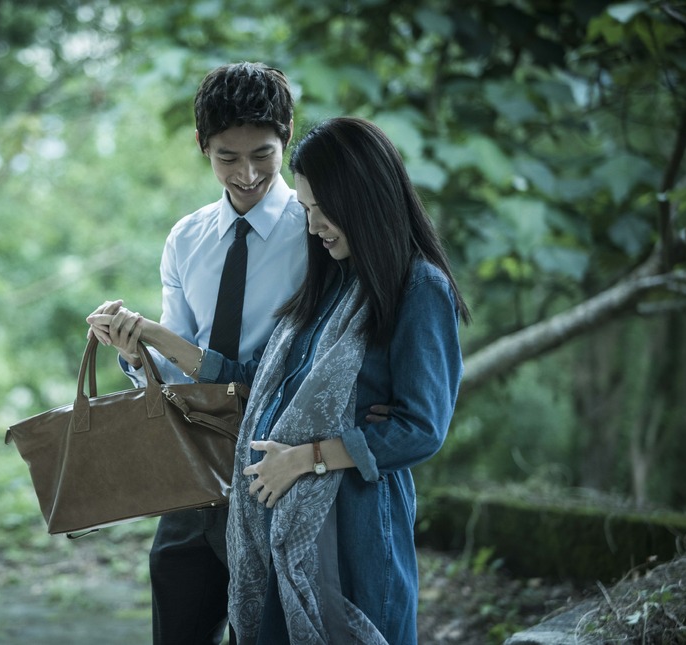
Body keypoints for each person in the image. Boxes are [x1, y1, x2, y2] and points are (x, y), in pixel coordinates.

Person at [88, 116, 470, 644]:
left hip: (354, 520)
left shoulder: (419, 287)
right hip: (281, 518)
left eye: (320, 210)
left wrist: (307, 456)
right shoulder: (334, 280)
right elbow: (256, 379)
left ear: (362, 198)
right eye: (308, 211)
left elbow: (421, 428)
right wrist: (152, 337)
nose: (311, 226)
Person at [88, 61, 313, 645]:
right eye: (227, 158)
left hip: (277, 470)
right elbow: (171, 369)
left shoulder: (317, 234)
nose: (247, 174)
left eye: (263, 154)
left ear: (287, 132)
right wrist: (135, 351)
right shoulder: (186, 239)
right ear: (201, 146)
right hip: (193, 472)